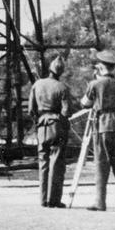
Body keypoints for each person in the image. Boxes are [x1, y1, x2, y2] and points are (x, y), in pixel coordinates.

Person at [81, 51, 115, 211]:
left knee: (101, 165)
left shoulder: (94, 84)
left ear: (101, 66)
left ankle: (100, 202)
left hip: (101, 127)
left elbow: (85, 103)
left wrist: (95, 81)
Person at [27, 55, 72, 208]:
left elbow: (31, 110)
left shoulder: (37, 84)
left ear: (49, 69)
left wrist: (39, 121)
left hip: (41, 127)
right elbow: (67, 112)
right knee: (56, 163)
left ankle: (43, 199)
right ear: (61, 72)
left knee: (43, 163)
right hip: (56, 126)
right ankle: (54, 200)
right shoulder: (63, 87)